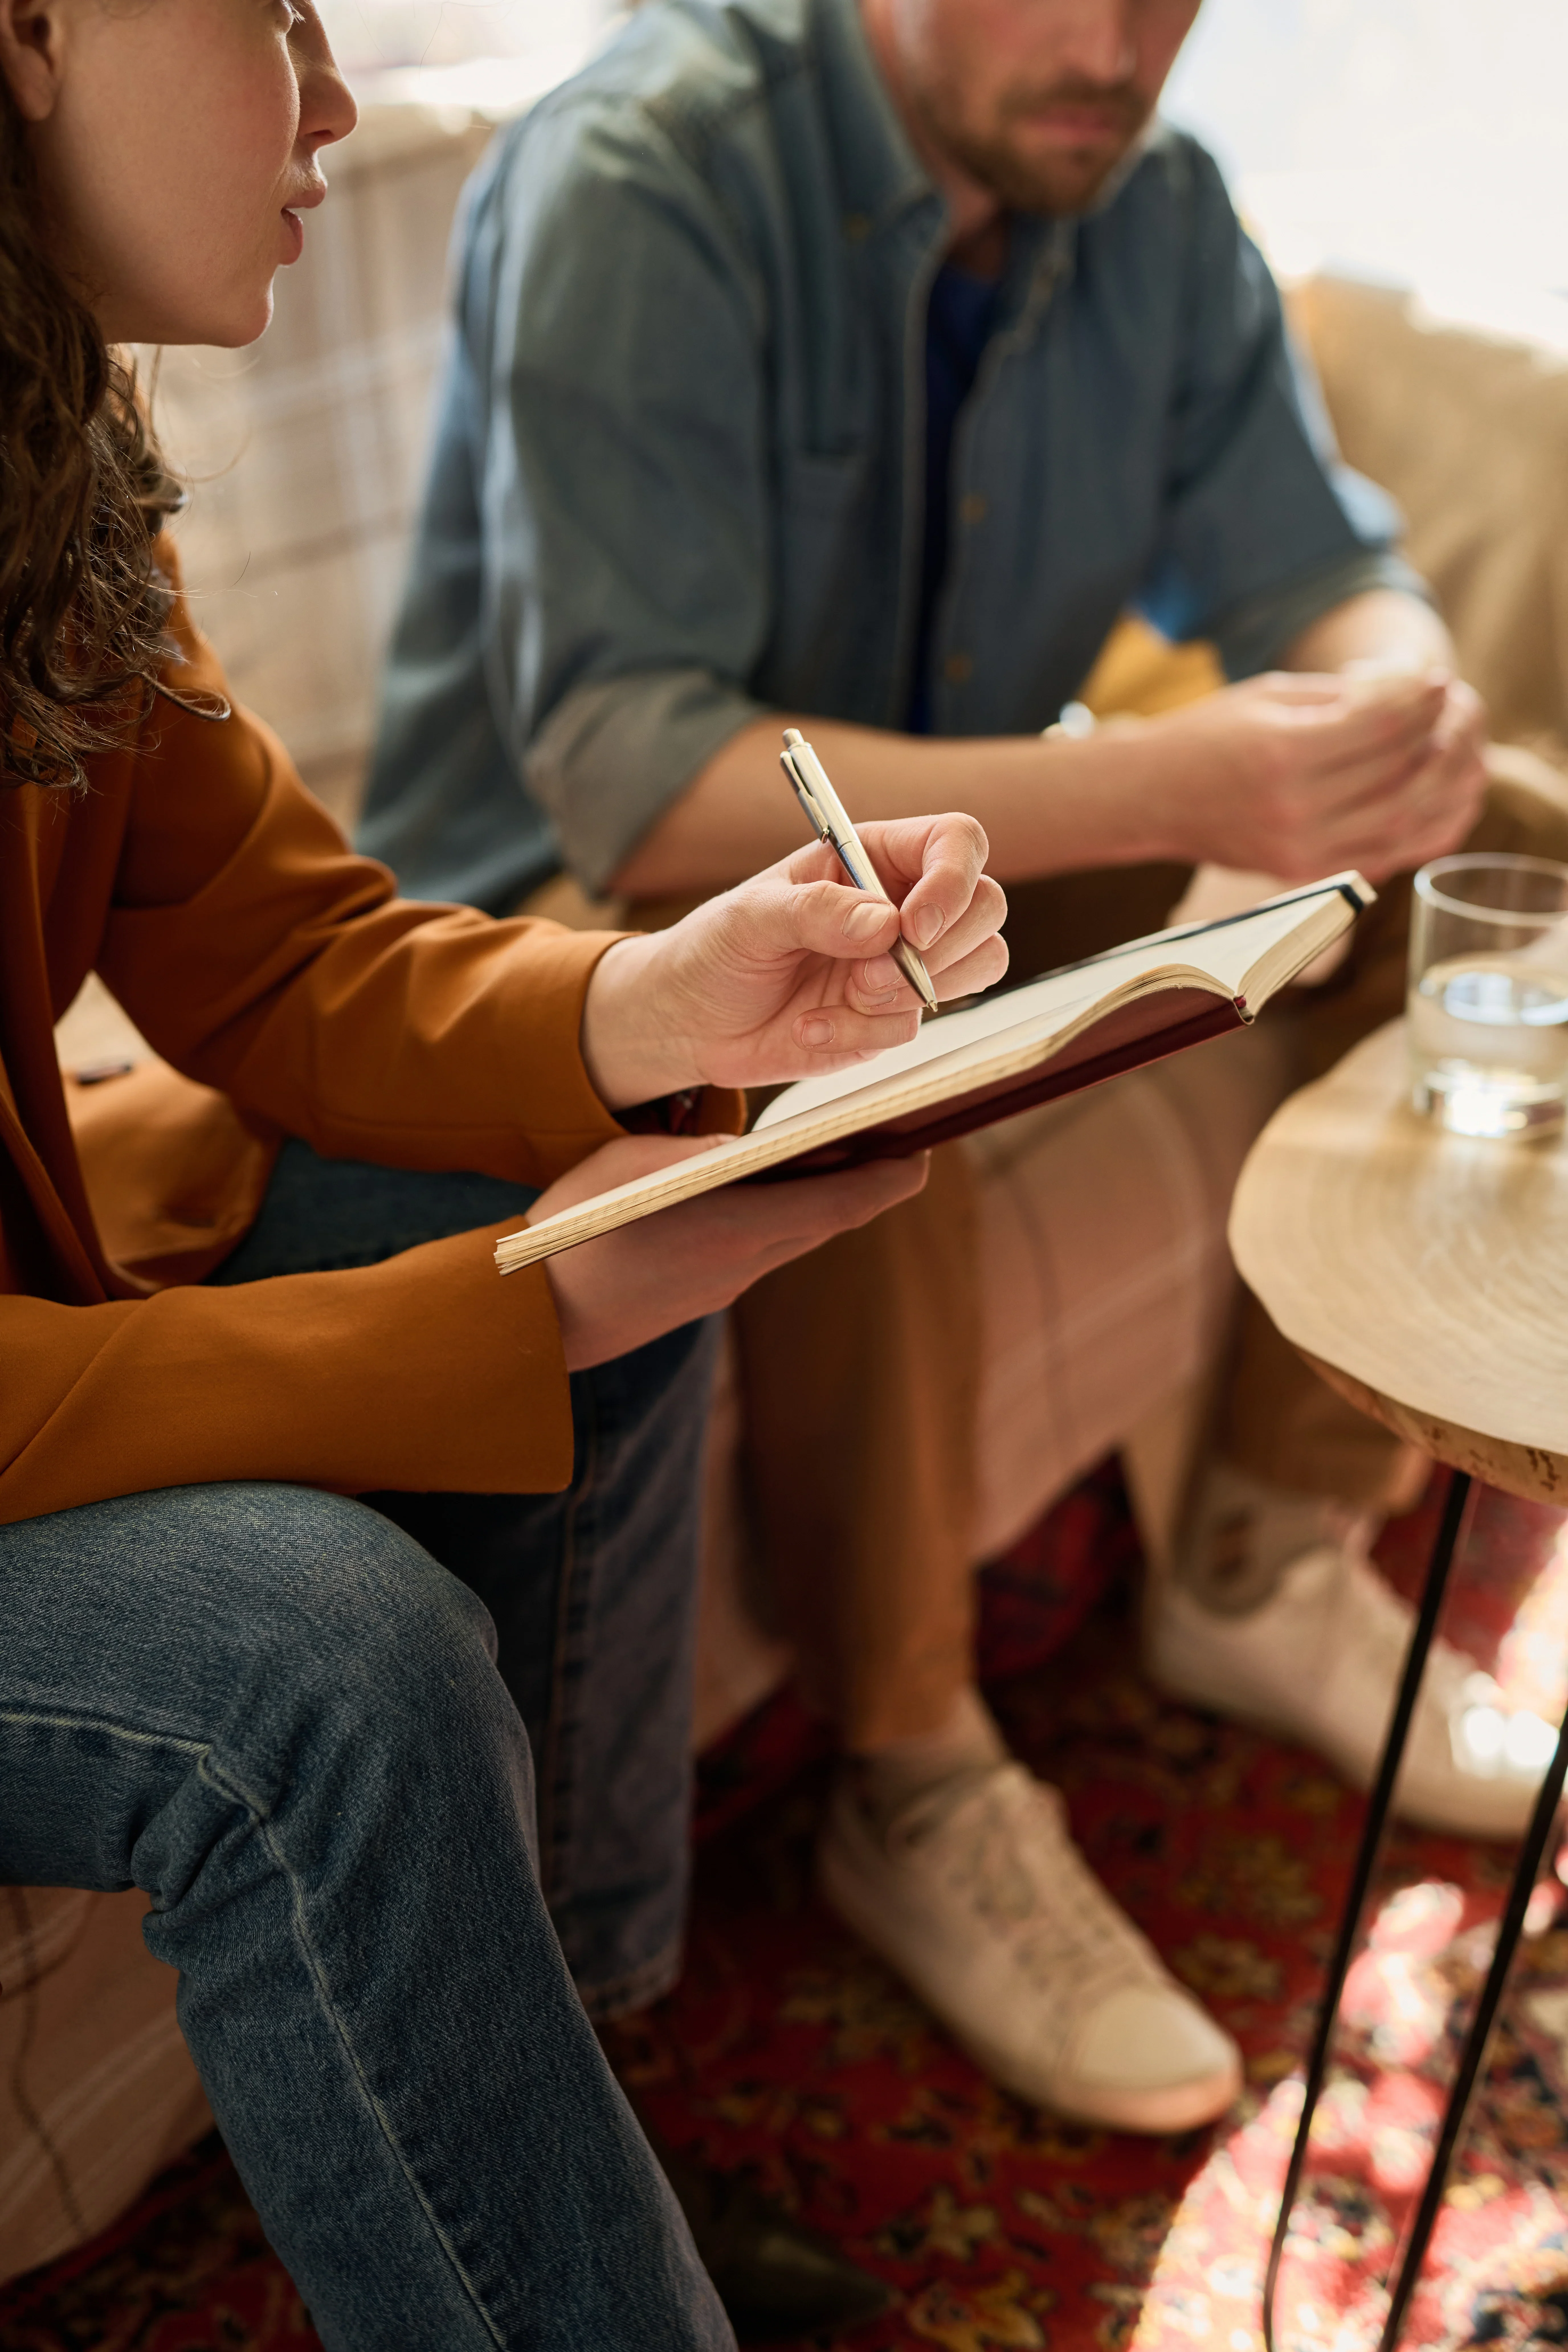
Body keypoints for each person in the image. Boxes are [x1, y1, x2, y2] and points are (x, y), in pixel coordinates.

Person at [358, 0, 1568, 2142]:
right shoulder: (647, 174)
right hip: (565, 917)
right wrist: (1188, 778)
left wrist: (1389, 712)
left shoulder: (1149, 201)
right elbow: (641, 785)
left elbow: (1334, 574)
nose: (1120, 43)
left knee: (1506, 843)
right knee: (870, 1019)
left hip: (955, 845)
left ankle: (1266, 1552)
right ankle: (911, 1776)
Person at [0, 3, 1013, 2346]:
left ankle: (552, 2112)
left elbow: (281, 955)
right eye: (272, 19)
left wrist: (651, 1014)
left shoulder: (49, 444)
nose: (337, 103)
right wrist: (528, 1309)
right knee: (320, 1652)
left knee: (616, 1162)